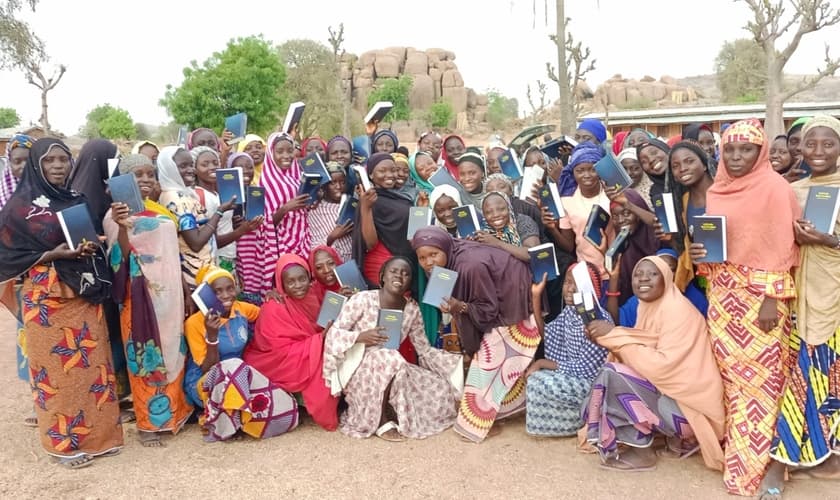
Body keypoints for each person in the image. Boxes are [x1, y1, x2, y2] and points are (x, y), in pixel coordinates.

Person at [689, 119, 800, 497]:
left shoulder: (777, 189)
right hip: (724, 298)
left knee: (765, 384)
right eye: (730, 149)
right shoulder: (718, 191)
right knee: (735, 384)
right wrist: (699, 255)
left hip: (763, 302)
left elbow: (785, 248)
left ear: (761, 152)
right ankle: (742, 456)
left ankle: (756, 465)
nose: (736, 157)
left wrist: (772, 299)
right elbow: (715, 252)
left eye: (746, 149)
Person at [0, 138, 123, 468]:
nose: (58, 166)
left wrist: (93, 243)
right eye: (50, 160)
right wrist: (55, 254)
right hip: (47, 301)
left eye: (64, 160)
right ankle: (62, 446)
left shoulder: (75, 199)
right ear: (37, 166)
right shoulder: (20, 207)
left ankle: (100, 438)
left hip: (84, 293)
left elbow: (89, 237)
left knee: (93, 370)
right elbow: (7, 256)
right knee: (58, 372)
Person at [582, 256, 725, 473]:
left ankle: (642, 451)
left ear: (666, 278)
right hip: (675, 403)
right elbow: (639, 351)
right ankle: (658, 439)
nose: (643, 279)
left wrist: (614, 337)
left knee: (614, 375)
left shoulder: (677, 311)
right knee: (615, 373)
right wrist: (610, 338)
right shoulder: (648, 307)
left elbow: (661, 367)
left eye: (652, 274)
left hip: (692, 414)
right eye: (638, 275)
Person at [411, 227, 539, 443]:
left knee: (489, 360)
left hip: (511, 300)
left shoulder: (469, 266)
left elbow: (488, 310)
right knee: (492, 358)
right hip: (494, 293)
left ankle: (479, 420)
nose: (428, 262)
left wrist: (459, 306)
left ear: (444, 247)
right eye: (422, 257)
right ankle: (501, 411)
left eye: (433, 254)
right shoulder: (445, 260)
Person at [103, 154, 193, 447]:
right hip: (140, 297)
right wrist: (123, 227)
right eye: (137, 174)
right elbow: (119, 258)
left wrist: (184, 286)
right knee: (145, 355)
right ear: (123, 180)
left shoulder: (159, 210)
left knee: (172, 350)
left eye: (150, 174)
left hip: (171, 295)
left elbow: (172, 253)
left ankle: (174, 413)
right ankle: (148, 424)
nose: (145, 180)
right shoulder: (115, 215)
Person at [323, 256, 463, 440]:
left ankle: (394, 408)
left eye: (405, 274)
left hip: (394, 366)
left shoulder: (412, 309)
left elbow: (423, 350)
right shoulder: (362, 299)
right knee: (389, 357)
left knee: (438, 388)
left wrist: (452, 362)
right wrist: (360, 337)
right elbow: (334, 334)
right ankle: (381, 420)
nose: (399, 276)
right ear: (382, 276)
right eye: (394, 271)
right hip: (358, 366)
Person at [770, 115, 840, 479]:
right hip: (805, 296)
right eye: (811, 143)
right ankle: (811, 450)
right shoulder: (793, 191)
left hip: (836, 294)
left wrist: (829, 241)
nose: (818, 151)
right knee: (811, 373)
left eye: (828, 144)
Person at [184, 265, 298, 441]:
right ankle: (229, 425)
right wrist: (212, 337)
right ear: (207, 297)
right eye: (218, 291)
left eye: (230, 288)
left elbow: (267, 314)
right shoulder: (195, 323)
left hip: (240, 377)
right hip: (206, 382)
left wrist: (270, 299)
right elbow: (207, 368)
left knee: (283, 406)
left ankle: (237, 417)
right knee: (233, 365)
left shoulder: (241, 309)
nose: (226, 296)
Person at [244, 254, 339, 431]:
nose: (298, 286)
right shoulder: (273, 307)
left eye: (302, 279)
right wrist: (319, 339)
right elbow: (278, 351)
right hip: (279, 362)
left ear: (309, 277)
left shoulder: (312, 295)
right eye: (291, 282)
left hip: (309, 350)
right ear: (281, 283)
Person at [525, 262, 610, 437]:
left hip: (592, 383)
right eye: (567, 283)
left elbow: (586, 369)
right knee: (535, 379)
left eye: (577, 284)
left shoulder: (599, 319)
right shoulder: (570, 312)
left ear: (590, 288)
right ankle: (560, 423)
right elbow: (547, 335)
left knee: (538, 381)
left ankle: (579, 421)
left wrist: (542, 362)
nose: (570, 289)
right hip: (572, 374)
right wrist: (536, 297)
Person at [238, 133, 311, 302]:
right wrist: (285, 209)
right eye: (280, 151)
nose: (286, 156)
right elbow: (265, 224)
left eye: (289, 150)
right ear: (271, 153)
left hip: (301, 241)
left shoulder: (297, 177)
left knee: (302, 289)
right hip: (279, 246)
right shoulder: (266, 183)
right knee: (284, 289)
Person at [158, 146, 229, 291]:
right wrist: (219, 212)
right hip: (195, 274)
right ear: (169, 169)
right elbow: (195, 243)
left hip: (198, 271)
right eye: (183, 166)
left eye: (191, 164)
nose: (190, 170)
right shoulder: (177, 199)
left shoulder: (179, 193)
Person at [1, 134, 34, 410]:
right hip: (19, 278)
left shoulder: (49, 194)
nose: (21, 167)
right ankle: (38, 397)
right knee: (28, 336)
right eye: (16, 161)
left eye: (27, 160)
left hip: (45, 278)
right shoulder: (5, 199)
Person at [661, 141, 715, 296]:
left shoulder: (726, 193)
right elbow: (684, 245)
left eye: (689, 161)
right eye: (675, 166)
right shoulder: (683, 202)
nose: (682, 168)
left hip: (737, 278)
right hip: (704, 281)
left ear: (704, 164)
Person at [553, 143, 614, 279]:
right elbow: (569, 246)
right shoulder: (567, 201)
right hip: (587, 272)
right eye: (580, 170)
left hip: (614, 269)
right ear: (572, 172)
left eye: (592, 169)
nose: (587, 175)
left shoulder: (612, 194)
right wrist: (551, 228)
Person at [352, 152, 414, 287]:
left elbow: (413, 233)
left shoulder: (401, 198)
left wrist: (421, 209)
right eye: (382, 171)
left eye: (393, 170)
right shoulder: (369, 200)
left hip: (406, 261)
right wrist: (366, 208)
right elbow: (370, 243)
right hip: (382, 264)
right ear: (371, 175)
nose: (390, 175)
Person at [607, 248, 708, 327]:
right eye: (658, 270)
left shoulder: (693, 299)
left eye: (671, 269)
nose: (665, 273)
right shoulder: (641, 300)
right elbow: (615, 321)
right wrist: (614, 279)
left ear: (679, 272)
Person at [607, 189, 660, 304]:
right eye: (615, 216)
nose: (621, 220)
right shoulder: (622, 246)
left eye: (626, 213)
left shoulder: (660, 239)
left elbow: (657, 222)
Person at [308, 161, 353, 263]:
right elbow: (314, 247)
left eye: (342, 182)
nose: (338, 186)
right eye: (333, 183)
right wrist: (333, 236)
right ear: (324, 186)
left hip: (352, 260)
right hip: (330, 264)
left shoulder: (351, 204)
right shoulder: (315, 210)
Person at [475, 191, 540, 262]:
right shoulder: (483, 232)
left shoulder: (523, 222)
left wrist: (497, 243)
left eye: (501, 209)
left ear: (509, 208)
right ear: (484, 215)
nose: (496, 215)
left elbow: (533, 254)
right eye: (488, 212)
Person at [1, 134, 34, 209]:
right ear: (10, 164)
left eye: (29, 160)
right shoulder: (3, 195)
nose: (24, 166)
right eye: (17, 161)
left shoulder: (51, 187)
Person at [636, 139, 670, 205]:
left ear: (666, 150)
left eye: (654, 152)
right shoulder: (655, 192)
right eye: (644, 161)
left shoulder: (687, 178)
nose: (651, 160)